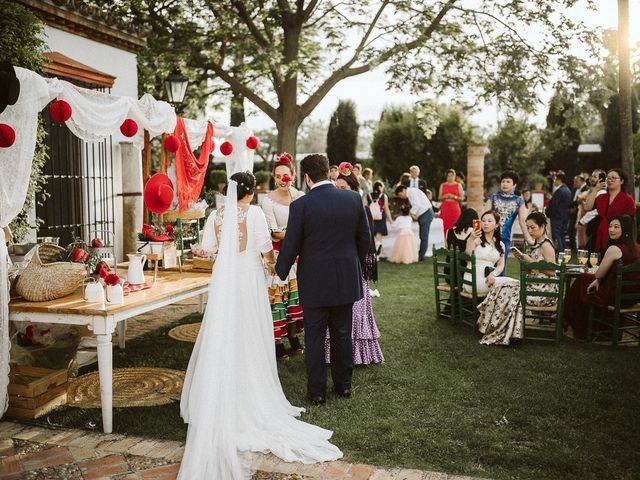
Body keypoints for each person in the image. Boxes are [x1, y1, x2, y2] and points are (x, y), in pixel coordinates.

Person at [179, 172, 342, 480]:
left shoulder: (215, 215)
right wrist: (273, 265)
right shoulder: (253, 214)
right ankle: (251, 391)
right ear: (251, 192)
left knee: (223, 333)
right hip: (250, 280)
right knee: (251, 333)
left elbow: (209, 249)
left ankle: (216, 392)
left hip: (225, 282)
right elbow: (266, 249)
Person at [276, 155, 370, 406]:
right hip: (345, 279)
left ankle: (317, 392)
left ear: (307, 178)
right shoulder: (352, 199)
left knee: (315, 338)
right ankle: (344, 386)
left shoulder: (301, 206)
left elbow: (291, 245)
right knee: (342, 334)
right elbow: (365, 240)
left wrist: (279, 271)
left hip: (315, 281)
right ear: (328, 173)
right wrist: (360, 268)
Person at [325, 168, 384, 365]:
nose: (340, 190)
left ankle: (359, 355)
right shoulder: (332, 208)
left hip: (356, 265)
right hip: (337, 266)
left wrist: (356, 261)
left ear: (354, 188)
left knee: (356, 311)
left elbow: (365, 240)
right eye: (337, 187)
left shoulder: (362, 208)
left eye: (344, 187)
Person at [476, 212, 558, 345]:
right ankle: (489, 326)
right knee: (501, 288)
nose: (530, 231)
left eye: (533, 228)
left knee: (506, 291)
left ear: (542, 226)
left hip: (544, 291)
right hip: (534, 285)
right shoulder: (538, 243)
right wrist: (523, 259)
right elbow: (536, 268)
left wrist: (529, 259)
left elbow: (551, 271)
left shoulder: (546, 245)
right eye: (528, 228)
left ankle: (500, 330)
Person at [563, 215, 640, 340]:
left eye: (616, 227)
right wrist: (598, 280)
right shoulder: (637, 248)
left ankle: (567, 319)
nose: (611, 230)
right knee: (586, 281)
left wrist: (598, 278)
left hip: (614, 296)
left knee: (582, 279)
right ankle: (572, 319)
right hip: (631, 297)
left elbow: (599, 273)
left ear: (625, 229)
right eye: (610, 226)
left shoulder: (614, 249)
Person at [261, 153, 305, 359]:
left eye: (285, 175)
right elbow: (274, 232)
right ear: (274, 177)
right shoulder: (267, 200)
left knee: (296, 299)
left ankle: (294, 336)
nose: (282, 180)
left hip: (300, 255)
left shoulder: (301, 197)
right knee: (279, 299)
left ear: (293, 175)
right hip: (280, 255)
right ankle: (277, 341)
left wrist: (293, 233)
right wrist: (297, 233)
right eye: (278, 176)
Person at [582, 168, 636, 254]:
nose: (610, 180)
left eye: (613, 178)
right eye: (608, 178)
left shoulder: (627, 199)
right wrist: (595, 189)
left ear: (621, 181)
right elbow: (587, 207)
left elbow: (629, 221)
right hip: (599, 234)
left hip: (617, 238)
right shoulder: (601, 197)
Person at [489, 170, 532, 262]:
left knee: (501, 266)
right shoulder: (494, 197)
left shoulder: (519, 201)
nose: (505, 184)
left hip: (505, 239)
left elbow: (522, 221)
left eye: (508, 182)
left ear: (514, 185)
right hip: (489, 237)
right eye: (503, 181)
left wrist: (529, 239)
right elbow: (483, 216)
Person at [463, 210, 505, 296]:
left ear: (496, 225)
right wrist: (471, 239)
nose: (485, 223)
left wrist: (493, 274)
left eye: (489, 221)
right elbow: (468, 255)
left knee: (512, 286)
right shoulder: (476, 239)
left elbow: (501, 265)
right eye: (483, 220)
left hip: (489, 279)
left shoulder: (500, 245)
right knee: (513, 284)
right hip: (472, 280)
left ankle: (493, 309)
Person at [394, 184, 434, 260]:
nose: (401, 197)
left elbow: (417, 205)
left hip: (426, 214)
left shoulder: (412, 193)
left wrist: (409, 214)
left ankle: (421, 256)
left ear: (403, 190)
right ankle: (420, 254)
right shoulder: (411, 192)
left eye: (400, 195)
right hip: (424, 213)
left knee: (423, 236)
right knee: (423, 236)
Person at [576, 169, 606, 249]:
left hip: (599, 228)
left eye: (595, 177)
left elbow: (595, 211)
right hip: (594, 228)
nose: (592, 178)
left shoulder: (602, 193)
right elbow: (587, 207)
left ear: (601, 179)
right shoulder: (595, 191)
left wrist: (582, 222)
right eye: (592, 176)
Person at [545, 173, 572, 252]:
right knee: (561, 235)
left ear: (559, 180)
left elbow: (554, 205)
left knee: (556, 235)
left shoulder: (559, 191)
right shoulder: (568, 190)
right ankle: (562, 251)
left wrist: (548, 212)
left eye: (555, 179)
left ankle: (558, 251)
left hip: (557, 216)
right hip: (564, 216)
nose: (554, 181)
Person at [367, 181, 393, 254]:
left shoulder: (368, 195)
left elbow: (365, 207)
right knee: (379, 235)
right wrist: (391, 221)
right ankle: (377, 252)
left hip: (370, 218)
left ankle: (373, 251)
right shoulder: (383, 196)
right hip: (380, 218)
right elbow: (386, 209)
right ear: (380, 187)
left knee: (372, 235)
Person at [439, 169, 465, 233]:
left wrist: (454, 197)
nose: (450, 177)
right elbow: (439, 197)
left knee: (455, 224)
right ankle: (446, 241)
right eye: (448, 176)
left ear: (454, 176)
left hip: (454, 207)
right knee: (445, 225)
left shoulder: (458, 185)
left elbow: (462, 198)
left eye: (452, 175)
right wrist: (445, 196)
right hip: (445, 207)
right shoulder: (443, 185)